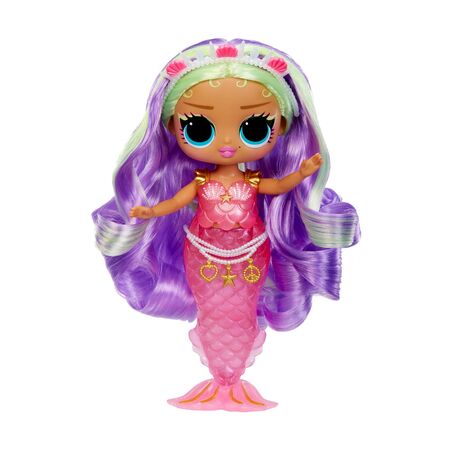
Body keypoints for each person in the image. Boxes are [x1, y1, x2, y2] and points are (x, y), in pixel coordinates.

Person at [92, 38, 360, 411]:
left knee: (241, 308)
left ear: (282, 126)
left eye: (255, 127)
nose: (229, 143)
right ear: (171, 126)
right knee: (211, 307)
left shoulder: (253, 181)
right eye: (199, 128)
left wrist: (302, 173)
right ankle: (220, 379)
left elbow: (278, 186)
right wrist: (150, 213)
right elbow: (176, 202)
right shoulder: (201, 180)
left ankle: (232, 379)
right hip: (202, 254)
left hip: (250, 253)